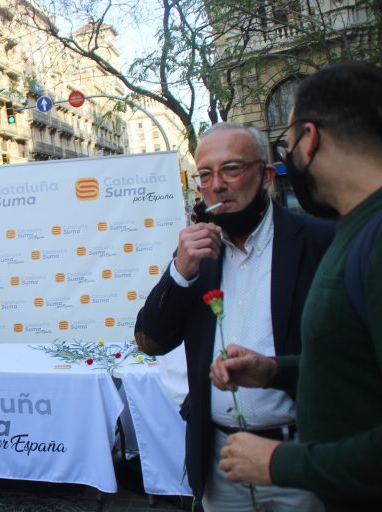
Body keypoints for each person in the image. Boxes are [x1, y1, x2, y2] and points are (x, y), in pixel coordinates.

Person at [134, 123, 333, 510]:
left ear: (266, 176)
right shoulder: (198, 254)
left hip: (300, 456)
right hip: (220, 461)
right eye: (205, 174)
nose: (217, 185)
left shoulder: (317, 241)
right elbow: (150, 341)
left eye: (231, 169)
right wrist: (180, 271)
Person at [210, 63, 382, 511]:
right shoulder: (357, 230)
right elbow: (354, 364)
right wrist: (275, 370)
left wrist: (281, 463)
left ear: (309, 139)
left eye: (286, 146)